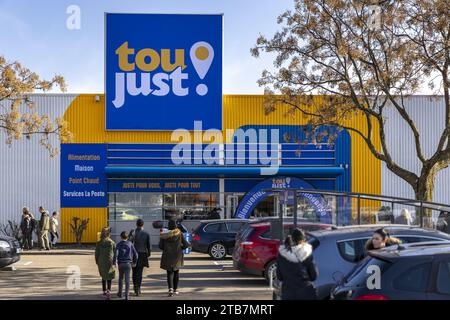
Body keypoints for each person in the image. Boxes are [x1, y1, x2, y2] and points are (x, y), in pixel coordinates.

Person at [276, 228, 318, 300]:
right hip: (305, 292)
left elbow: (279, 276)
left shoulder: (281, 255)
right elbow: (314, 276)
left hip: (288, 293)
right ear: (302, 241)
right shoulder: (306, 254)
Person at [159, 219, 191, 297]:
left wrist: (166, 249)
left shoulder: (164, 235)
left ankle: (170, 289)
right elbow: (186, 244)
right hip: (177, 256)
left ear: (169, 226)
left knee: (169, 273)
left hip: (167, 255)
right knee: (176, 272)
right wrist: (181, 248)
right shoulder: (179, 233)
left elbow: (160, 246)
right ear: (176, 225)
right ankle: (176, 289)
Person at [129, 219, 151, 296]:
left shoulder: (133, 232)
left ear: (136, 224)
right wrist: (149, 254)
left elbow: (129, 243)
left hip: (134, 254)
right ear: (143, 225)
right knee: (140, 272)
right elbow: (148, 245)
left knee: (134, 271)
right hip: (142, 254)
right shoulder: (146, 233)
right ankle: (138, 288)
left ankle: (135, 288)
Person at [114, 231, 138, 300]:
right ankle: (127, 295)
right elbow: (136, 255)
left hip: (120, 263)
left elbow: (115, 254)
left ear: (120, 237)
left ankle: (120, 293)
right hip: (128, 264)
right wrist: (134, 262)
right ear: (127, 237)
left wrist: (114, 263)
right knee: (127, 279)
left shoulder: (118, 244)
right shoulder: (130, 244)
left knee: (121, 278)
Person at [95, 227, 116, 300]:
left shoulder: (99, 242)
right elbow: (115, 252)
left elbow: (96, 253)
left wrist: (97, 261)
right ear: (108, 233)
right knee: (109, 276)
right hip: (109, 261)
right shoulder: (112, 242)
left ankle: (104, 292)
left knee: (103, 276)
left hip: (101, 261)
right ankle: (109, 291)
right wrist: (114, 262)